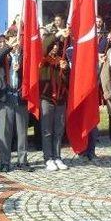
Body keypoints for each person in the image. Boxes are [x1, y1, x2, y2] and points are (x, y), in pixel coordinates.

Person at [0, 35, 32, 172]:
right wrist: (8, 46)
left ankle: (22, 161)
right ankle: (5, 162)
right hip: (5, 97)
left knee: (22, 132)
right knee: (5, 132)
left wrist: (20, 68)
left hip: (20, 96)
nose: (17, 43)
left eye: (18, 40)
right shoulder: (4, 55)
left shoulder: (24, 56)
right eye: (14, 40)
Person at [40, 40, 69, 171]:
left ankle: (57, 156)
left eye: (57, 46)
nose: (56, 48)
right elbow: (42, 78)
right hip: (46, 98)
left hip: (60, 99)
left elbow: (68, 82)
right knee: (47, 130)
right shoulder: (43, 61)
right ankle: (48, 158)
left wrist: (66, 70)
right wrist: (54, 65)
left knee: (58, 130)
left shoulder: (62, 60)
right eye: (53, 46)